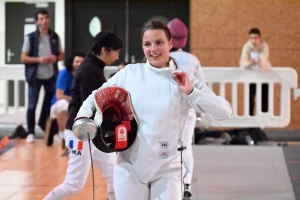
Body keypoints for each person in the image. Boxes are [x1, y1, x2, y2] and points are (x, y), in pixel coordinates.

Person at [76, 20, 232, 200]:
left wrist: (191, 92)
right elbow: (96, 96)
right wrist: (82, 118)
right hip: (129, 168)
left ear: (170, 44)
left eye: (159, 42)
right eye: (147, 44)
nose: (153, 49)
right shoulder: (131, 73)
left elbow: (224, 112)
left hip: (168, 170)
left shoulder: (184, 79)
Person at [43, 31, 123, 200]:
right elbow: (92, 106)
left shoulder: (95, 67)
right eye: (115, 52)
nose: (116, 57)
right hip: (79, 132)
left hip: (93, 132)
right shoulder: (88, 70)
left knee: (114, 172)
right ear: (104, 50)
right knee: (74, 184)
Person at [168, 18, 206, 199]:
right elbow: (202, 86)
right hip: (188, 109)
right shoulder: (193, 60)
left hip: (165, 111)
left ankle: (169, 184)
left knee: (165, 146)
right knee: (186, 146)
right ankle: (187, 183)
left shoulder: (162, 57)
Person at [21, 9, 64, 143]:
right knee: (32, 106)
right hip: (35, 77)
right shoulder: (30, 38)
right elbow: (23, 57)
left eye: (46, 18)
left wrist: (55, 58)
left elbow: (61, 55)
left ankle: (54, 132)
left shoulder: (55, 37)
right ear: (36, 21)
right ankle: (30, 133)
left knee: (53, 105)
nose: (44, 21)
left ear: (49, 20)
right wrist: (39, 60)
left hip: (51, 76)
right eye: (41, 18)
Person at [48, 51, 85, 144]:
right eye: (77, 61)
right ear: (72, 62)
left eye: (81, 62)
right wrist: (75, 100)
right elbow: (59, 96)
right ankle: (62, 135)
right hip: (59, 105)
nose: (79, 64)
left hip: (76, 105)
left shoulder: (86, 74)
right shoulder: (64, 72)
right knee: (64, 105)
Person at [239, 28, 272, 116]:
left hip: (264, 76)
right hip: (251, 77)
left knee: (264, 99)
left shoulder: (264, 46)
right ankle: (251, 120)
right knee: (250, 98)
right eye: (251, 38)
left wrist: (259, 62)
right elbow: (242, 63)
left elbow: (264, 60)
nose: (254, 40)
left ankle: (263, 120)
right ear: (249, 39)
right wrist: (249, 63)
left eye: (256, 38)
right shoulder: (246, 47)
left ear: (260, 38)